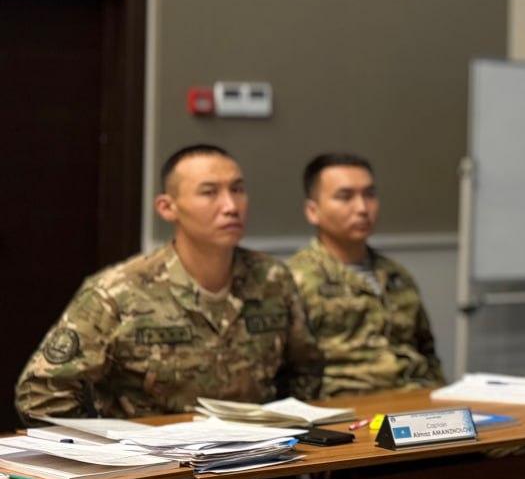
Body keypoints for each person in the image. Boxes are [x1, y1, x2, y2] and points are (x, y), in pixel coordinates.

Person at [15, 144, 322, 421]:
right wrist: (107, 451)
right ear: (167, 207)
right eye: (209, 192)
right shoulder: (119, 291)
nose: (231, 206)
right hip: (155, 462)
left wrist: (283, 431)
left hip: (261, 458)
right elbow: (41, 394)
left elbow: (306, 369)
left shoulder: (272, 278)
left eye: (238, 190)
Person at [288, 153, 445, 398]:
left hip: (417, 399)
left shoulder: (396, 275)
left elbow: (427, 351)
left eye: (369, 195)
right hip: (346, 405)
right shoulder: (295, 279)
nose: (362, 208)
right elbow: (289, 371)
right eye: (345, 197)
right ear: (313, 211)